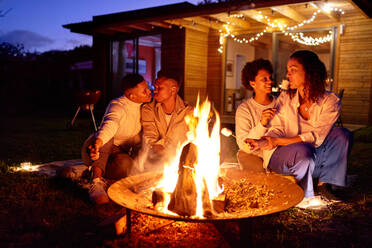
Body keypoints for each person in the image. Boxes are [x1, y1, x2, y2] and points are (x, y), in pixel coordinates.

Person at [247, 50, 352, 206]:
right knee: (303, 150)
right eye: (288, 71)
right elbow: (277, 128)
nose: (288, 75)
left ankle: (326, 184)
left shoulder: (330, 101)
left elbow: (318, 135)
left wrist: (278, 141)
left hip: (313, 155)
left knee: (343, 134)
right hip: (286, 156)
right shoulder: (285, 98)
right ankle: (305, 195)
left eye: (293, 70)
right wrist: (266, 142)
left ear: (309, 72)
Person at [88, 73, 152, 204]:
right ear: (131, 96)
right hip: (99, 150)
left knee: (130, 165)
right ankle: (96, 180)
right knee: (110, 138)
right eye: (144, 91)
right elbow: (109, 125)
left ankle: (86, 171)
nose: (149, 92)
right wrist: (98, 143)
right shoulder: (117, 106)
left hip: (120, 154)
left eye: (148, 88)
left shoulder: (143, 106)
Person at [141, 74, 193, 168]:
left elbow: (194, 140)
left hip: (182, 161)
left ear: (173, 90)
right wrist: (162, 151)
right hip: (155, 159)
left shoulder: (188, 112)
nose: (155, 91)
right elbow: (150, 136)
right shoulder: (148, 109)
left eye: (159, 88)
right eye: (154, 87)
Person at [235, 59, 277, 172]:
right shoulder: (245, 109)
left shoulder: (280, 104)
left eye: (270, 78)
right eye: (264, 79)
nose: (270, 82)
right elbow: (244, 144)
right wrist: (262, 124)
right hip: (254, 156)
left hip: (277, 154)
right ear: (252, 83)